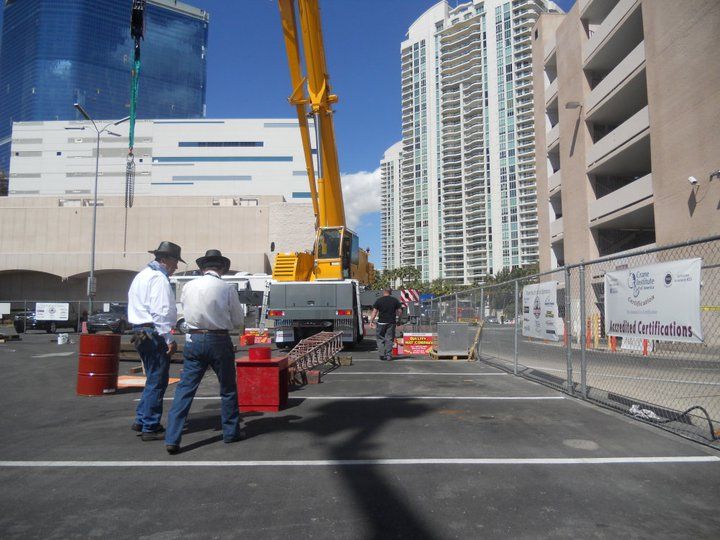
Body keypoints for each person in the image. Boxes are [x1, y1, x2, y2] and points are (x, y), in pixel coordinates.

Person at [164, 249, 245, 455]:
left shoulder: (188, 286)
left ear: (203, 268)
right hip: (218, 338)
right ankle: (230, 432)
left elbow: (184, 311)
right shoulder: (227, 288)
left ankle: (173, 438)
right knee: (227, 388)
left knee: (185, 389)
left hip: (194, 338)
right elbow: (238, 320)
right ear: (222, 268)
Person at [128, 241, 183, 441]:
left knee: (152, 378)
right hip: (153, 332)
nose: (176, 266)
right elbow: (161, 311)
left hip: (139, 331)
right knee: (157, 381)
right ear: (166, 260)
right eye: (175, 261)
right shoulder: (159, 278)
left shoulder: (141, 275)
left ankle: (142, 419)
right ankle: (150, 426)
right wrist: (168, 338)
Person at [369, 288, 403, 361]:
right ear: (391, 292)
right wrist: (399, 320)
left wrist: (371, 321)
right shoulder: (395, 300)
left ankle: (381, 354)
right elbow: (400, 311)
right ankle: (388, 355)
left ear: (384, 292)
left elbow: (374, 312)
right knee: (389, 339)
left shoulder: (379, 300)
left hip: (381, 322)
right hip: (391, 322)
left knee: (380, 338)